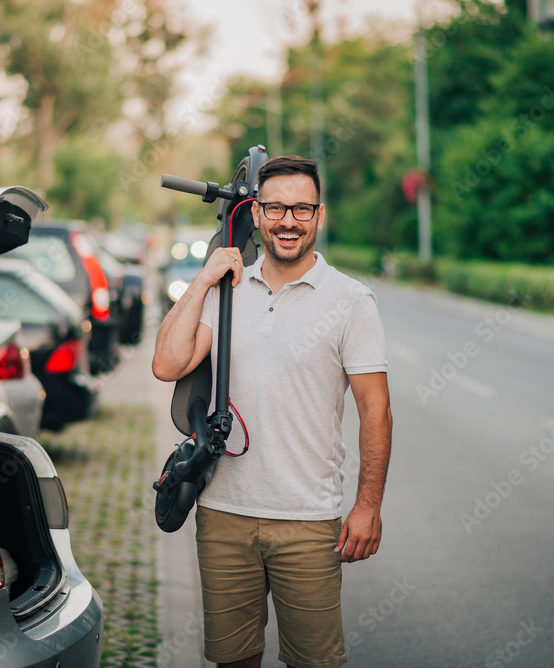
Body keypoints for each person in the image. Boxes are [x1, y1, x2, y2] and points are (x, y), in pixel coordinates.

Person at [152, 155, 392, 668]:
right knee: (233, 660)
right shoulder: (227, 289)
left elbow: (376, 410)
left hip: (307, 520)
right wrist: (204, 279)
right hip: (224, 515)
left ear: (319, 216)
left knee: (315, 662)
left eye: (301, 209)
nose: (289, 221)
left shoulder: (351, 301)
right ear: (256, 214)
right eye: (276, 208)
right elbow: (167, 364)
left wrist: (368, 506)